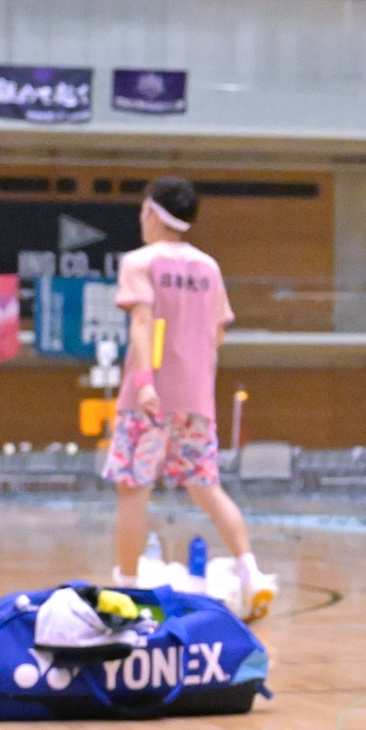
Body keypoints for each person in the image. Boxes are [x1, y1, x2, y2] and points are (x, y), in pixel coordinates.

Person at [102, 175, 275, 617]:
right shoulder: (209, 267)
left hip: (149, 399)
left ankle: (128, 589)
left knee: (133, 490)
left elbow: (142, 323)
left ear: (152, 213)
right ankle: (252, 574)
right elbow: (216, 334)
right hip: (197, 399)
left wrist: (145, 381)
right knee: (207, 488)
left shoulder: (140, 261)